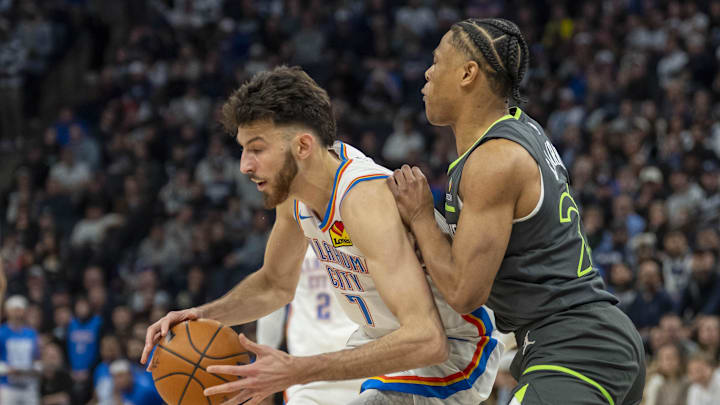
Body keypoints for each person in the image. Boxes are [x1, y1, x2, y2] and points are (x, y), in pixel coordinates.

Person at [142, 66, 503, 405]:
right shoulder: (295, 197)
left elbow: (428, 339)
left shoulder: (363, 200)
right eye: (243, 150)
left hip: (454, 352)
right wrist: (200, 314)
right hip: (385, 348)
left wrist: (297, 368)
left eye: (256, 149)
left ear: (302, 147)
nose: (244, 166)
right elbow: (274, 286)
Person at [388, 18, 645, 405]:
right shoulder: (517, 134)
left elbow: (464, 292)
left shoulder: (494, 160)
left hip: (572, 347)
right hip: (584, 341)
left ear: (467, 73)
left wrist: (423, 216)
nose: (427, 73)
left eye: (437, 61)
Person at [256, 246, 363, 404]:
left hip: (309, 370)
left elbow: (272, 304)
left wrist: (262, 361)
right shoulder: (366, 233)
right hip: (359, 363)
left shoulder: (293, 238)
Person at [0, 295, 41, 405]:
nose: (18, 313)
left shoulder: (31, 333)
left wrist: (36, 368)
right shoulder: (2, 333)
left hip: (29, 385)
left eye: (20, 310)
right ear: (7, 311)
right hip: (7, 386)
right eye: (15, 310)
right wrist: (7, 370)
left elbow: (37, 358)